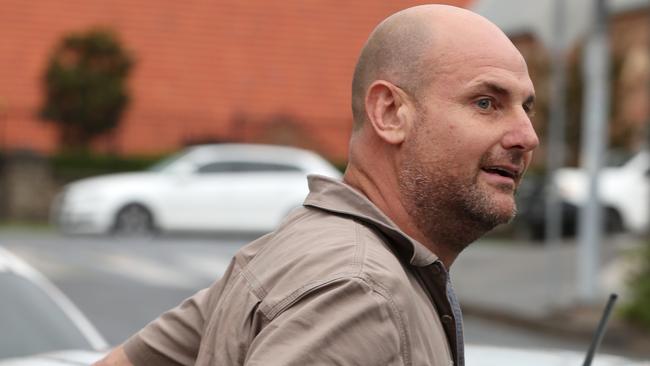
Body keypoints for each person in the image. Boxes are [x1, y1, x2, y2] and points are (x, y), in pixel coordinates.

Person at [94, 4, 538, 366]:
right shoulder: (360, 292)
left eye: (526, 108)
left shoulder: (285, 252)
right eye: (486, 102)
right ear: (389, 113)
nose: (526, 136)